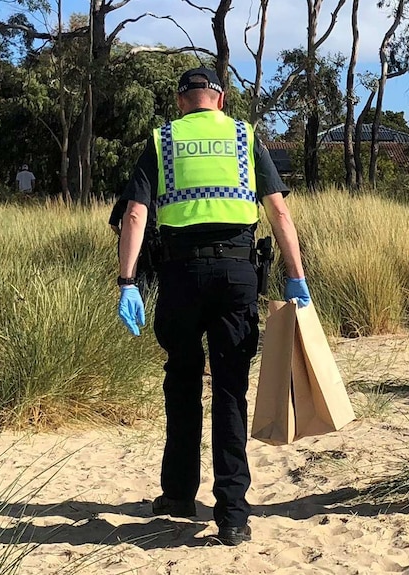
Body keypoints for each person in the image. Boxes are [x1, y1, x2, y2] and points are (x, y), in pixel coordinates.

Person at [115, 67, 310, 545]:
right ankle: (233, 514)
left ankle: (179, 494)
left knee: (181, 381)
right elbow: (279, 211)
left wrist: (127, 281)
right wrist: (295, 276)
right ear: (219, 100)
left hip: (180, 276)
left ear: (182, 102)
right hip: (238, 275)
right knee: (229, 391)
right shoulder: (245, 136)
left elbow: (136, 212)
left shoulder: (163, 141)